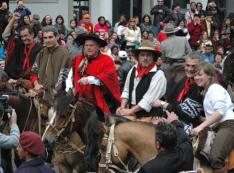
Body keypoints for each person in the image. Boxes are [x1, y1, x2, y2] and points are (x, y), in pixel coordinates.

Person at [191, 61, 234, 173]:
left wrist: (201, 126)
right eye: (195, 75)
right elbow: (216, 114)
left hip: (228, 125)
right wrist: (201, 120)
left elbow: (220, 112)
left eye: (200, 74)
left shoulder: (214, 88)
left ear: (209, 75)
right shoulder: (208, 91)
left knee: (215, 158)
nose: (196, 77)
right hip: (222, 125)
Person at [67, 33, 121, 114]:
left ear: (98, 46)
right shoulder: (79, 59)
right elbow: (71, 76)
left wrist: (89, 79)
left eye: (92, 45)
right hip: (79, 100)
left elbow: (108, 77)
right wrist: (70, 89)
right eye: (86, 45)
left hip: (100, 100)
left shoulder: (107, 60)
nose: (88, 48)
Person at [153, 52, 204, 134]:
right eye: (187, 65)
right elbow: (172, 100)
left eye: (194, 66)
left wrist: (163, 104)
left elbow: (185, 114)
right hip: (175, 120)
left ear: (201, 67)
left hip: (190, 127)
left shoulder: (200, 86)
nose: (190, 69)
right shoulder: (185, 80)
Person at [116, 40, 167, 119]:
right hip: (133, 111)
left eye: (148, 55)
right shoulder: (134, 69)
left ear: (154, 57)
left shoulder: (158, 74)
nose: (145, 58)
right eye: (142, 55)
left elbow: (148, 100)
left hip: (150, 115)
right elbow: (126, 90)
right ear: (138, 57)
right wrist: (122, 107)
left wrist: (130, 111)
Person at [30, 26, 70, 104]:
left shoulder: (65, 54)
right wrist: (36, 84)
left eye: (50, 37)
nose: (47, 40)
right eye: (45, 38)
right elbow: (33, 72)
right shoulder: (41, 53)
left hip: (57, 97)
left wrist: (55, 93)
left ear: (57, 37)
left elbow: (64, 78)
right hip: (39, 94)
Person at [2, 13, 43, 82]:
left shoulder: (40, 48)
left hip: (29, 80)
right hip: (12, 77)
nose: (24, 38)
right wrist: (13, 19)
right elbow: (5, 36)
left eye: (26, 35)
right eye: (22, 36)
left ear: (32, 34)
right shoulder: (19, 44)